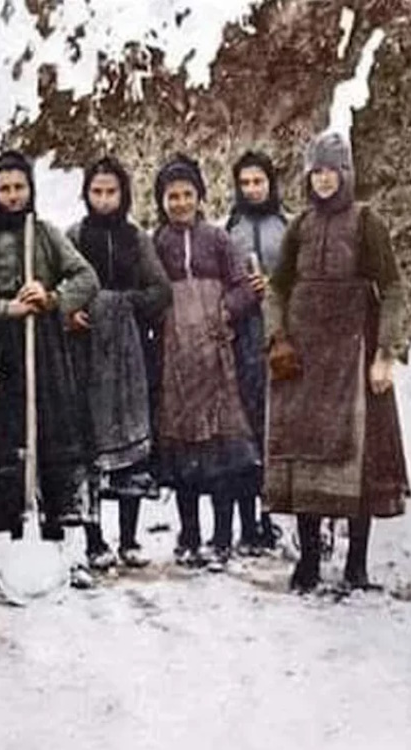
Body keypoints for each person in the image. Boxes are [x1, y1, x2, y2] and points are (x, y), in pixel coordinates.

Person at [265, 132, 409, 595]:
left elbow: (393, 289)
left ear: (346, 173)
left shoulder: (367, 223)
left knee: (359, 459)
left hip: (353, 356)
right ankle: (308, 561)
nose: (324, 180)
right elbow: (276, 287)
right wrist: (278, 338)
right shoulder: (300, 226)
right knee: (305, 454)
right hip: (305, 361)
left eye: (332, 171)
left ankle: (356, 566)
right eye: (317, 172)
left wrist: (384, 354)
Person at [0, 150, 99, 544]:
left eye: (20, 187)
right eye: (5, 189)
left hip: (43, 347)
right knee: (4, 440)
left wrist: (51, 298)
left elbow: (86, 278)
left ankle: (55, 539)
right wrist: (6, 307)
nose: (13, 196)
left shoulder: (46, 233)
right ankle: (12, 540)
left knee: (50, 433)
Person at [151, 154, 260, 572]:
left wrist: (225, 311)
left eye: (187, 195)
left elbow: (244, 288)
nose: (180, 203)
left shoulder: (217, 239)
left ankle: (222, 538)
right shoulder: (157, 244)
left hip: (217, 358)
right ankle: (190, 535)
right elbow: (150, 290)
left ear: (200, 197)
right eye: (172, 197)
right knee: (185, 455)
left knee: (222, 453)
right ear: (162, 201)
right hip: (177, 360)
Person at [67, 156, 171, 571]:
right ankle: (94, 540)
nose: (104, 199)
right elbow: (59, 284)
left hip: (129, 354)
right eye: (97, 192)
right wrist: (71, 312)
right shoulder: (74, 236)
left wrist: (126, 304)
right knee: (89, 440)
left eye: (112, 192)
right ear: (86, 194)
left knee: (131, 439)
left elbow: (160, 290)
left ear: (123, 195)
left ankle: (129, 538)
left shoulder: (136, 238)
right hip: (86, 353)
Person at [225, 150, 289, 555]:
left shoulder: (287, 226)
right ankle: (247, 523)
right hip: (242, 341)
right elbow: (221, 285)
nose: (251, 190)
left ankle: (273, 516)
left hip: (280, 337)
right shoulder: (230, 230)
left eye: (258, 181)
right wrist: (243, 294)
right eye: (245, 183)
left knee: (276, 427)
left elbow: (298, 278)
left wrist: (274, 287)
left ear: (270, 183)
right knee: (244, 431)